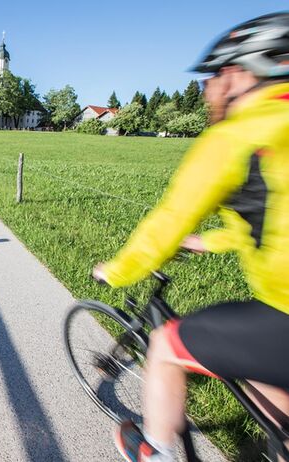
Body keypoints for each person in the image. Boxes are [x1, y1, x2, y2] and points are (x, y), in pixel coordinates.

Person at [91, 12, 289, 462]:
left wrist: (117, 270)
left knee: (165, 346)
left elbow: (169, 219)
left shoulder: (237, 134)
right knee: (267, 384)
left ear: (238, 74)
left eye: (212, 77)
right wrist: (209, 241)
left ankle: (155, 451)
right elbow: (270, 223)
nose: (206, 91)